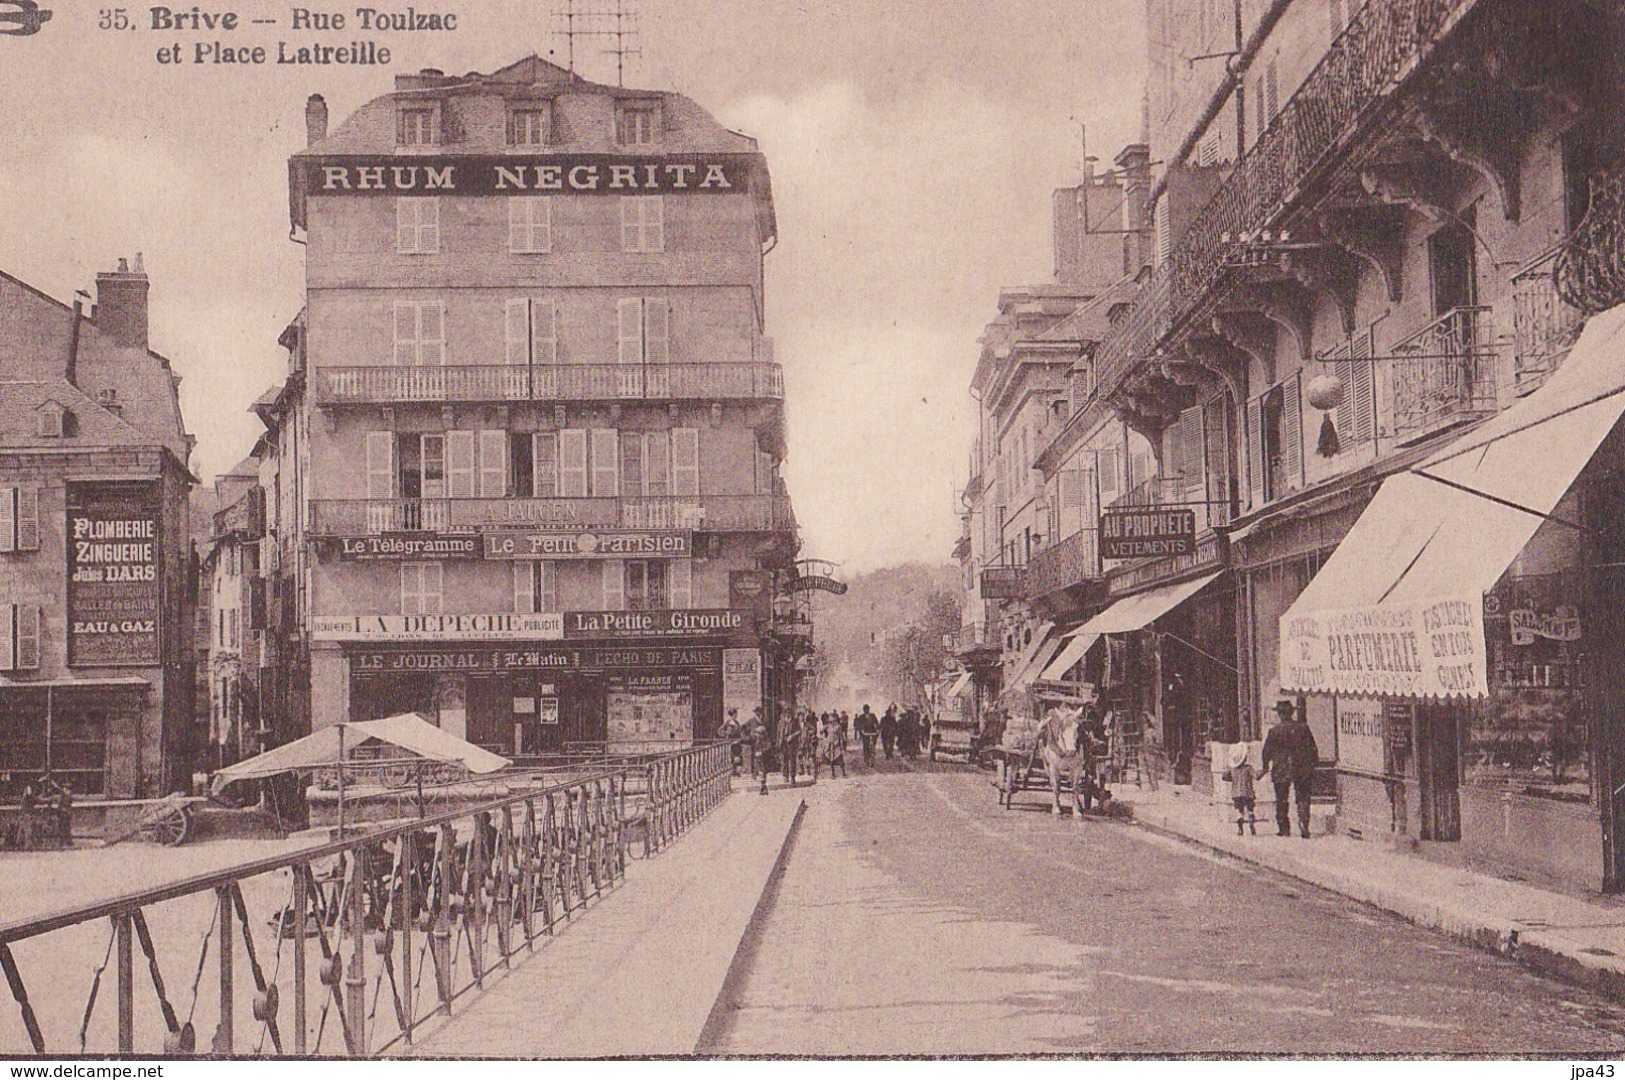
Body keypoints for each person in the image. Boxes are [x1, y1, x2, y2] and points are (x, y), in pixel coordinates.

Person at [1261, 698, 1319, 838]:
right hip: (1302, 767)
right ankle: (1304, 823)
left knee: (1281, 799)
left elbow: (1266, 751)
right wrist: (1313, 765)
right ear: (1292, 712)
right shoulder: (1303, 728)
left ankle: (1284, 828)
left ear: (1280, 714)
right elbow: (1312, 748)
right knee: (1303, 797)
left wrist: (1265, 766)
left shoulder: (1274, 731)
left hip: (1281, 768)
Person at [1224, 741, 1258, 836]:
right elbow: (1257, 777)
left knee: (1240, 810)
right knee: (1250, 809)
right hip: (1248, 793)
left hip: (1236, 794)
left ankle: (1240, 828)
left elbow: (1225, 777)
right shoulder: (1248, 768)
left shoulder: (1232, 769)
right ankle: (1251, 820)